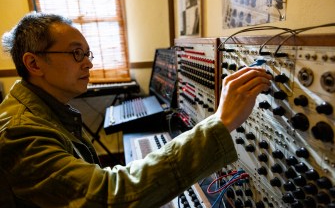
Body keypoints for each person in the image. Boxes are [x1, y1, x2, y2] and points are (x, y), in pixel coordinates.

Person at [0, 12, 272, 208]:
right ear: (34, 64)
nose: (88, 65)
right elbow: (109, 196)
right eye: (76, 54)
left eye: (87, 54)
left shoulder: (43, 110)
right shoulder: (20, 133)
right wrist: (221, 123)